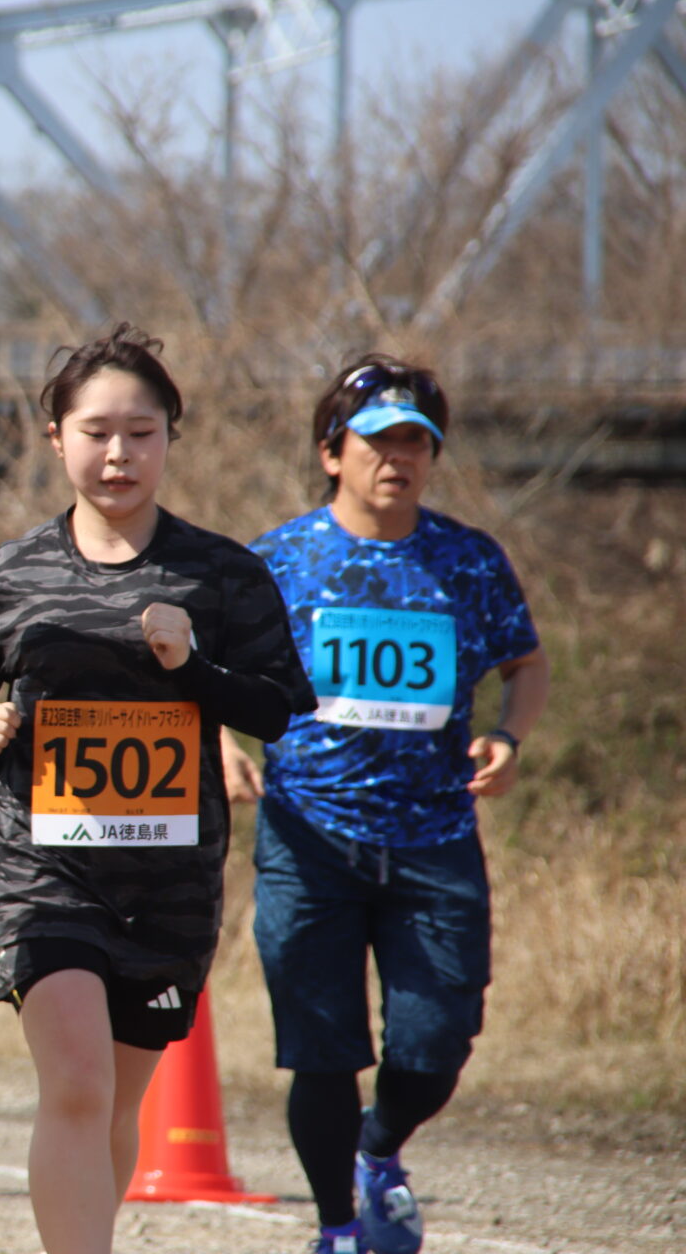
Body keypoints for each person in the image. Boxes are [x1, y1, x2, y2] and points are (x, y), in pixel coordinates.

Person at [0, 325, 313, 1254]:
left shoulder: (222, 574)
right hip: (40, 865)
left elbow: (279, 707)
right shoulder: (13, 573)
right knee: (79, 1084)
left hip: (167, 880)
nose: (119, 453)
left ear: (171, 436)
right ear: (57, 438)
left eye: (141, 432)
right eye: (96, 432)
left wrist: (193, 668)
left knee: (117, 1104)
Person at [219, 356, 550, 1254]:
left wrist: (509, 737)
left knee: (437, 1043)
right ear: (333, 452)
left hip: (434, 837)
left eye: (415, 443)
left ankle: (380, 1146)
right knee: (322, 1050)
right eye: (377, 441)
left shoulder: (469, 559)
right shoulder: (278, 560)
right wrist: (221, 747)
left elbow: (525, 663)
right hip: (308, 837)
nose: (397, 459)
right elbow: (204, 671)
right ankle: (337, 1228)